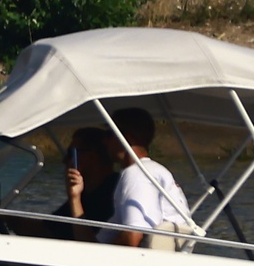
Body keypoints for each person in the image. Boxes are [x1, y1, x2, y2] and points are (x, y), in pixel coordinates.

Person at [74, 107, 193, 250]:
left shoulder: (137, 174)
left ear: (126, 138)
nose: (104, 142)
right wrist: (75, 198)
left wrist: (97, 256)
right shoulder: (153, 171)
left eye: (109, 134)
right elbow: (92, 245)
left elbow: (133, 237)